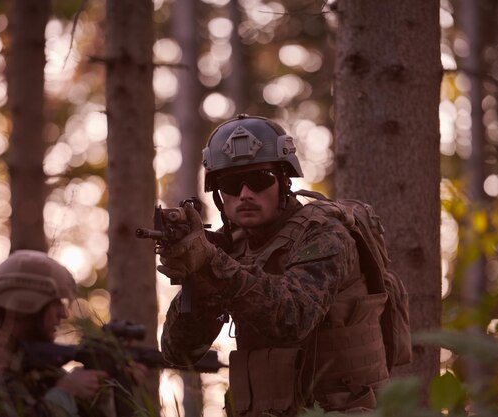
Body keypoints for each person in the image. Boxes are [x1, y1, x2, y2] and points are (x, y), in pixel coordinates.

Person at [159, 114, 391, 416]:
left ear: (284, 180)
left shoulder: (325, 234)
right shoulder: (232, 248)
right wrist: (200, 280)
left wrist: (212, 264)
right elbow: (180, 352)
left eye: (259, 180)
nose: (245, 194)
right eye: (231, 184)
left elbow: (291, 318)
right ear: (219, 195)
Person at [0, 250, 109, 417]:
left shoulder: (24, 356)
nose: (64, 314)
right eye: (56, 303)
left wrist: (105, 385)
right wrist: (65, 393)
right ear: (29, 304)